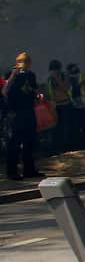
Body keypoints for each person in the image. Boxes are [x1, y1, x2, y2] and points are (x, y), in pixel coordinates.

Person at [4, 52, 42, 180]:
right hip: (15, 113)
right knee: (14, 143)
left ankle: (29, 170)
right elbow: (5, 91)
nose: (24, 64)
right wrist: (13, 76)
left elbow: (34, 89)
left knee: (29, 142)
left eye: (26, 61)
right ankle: (12, 171)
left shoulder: (31, 75)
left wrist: (38, 95)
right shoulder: (11, 74)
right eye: (21, 61)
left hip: (29, 111)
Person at [46, 60, 72, 152]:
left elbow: (65, 87)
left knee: (66, 128)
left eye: (55, 70)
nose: (53, 72)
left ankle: (67, 148)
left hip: (66, 105)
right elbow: (49, 93)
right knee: (57, 128)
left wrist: (57, 78)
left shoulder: (64, 76)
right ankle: (57, 148)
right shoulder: (50, 79)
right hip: (56, 106)